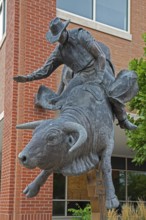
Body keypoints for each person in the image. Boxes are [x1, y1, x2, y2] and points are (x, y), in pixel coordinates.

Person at [14, 17, 138, 130]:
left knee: (114, 93)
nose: (59, 40)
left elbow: (100, 56)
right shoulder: (59, 51)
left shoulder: (80, 35)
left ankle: (123, 120)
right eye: (56, 39)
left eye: (60, 36)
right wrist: (27, 78)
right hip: (80, 76)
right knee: (62, 100)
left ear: (64, 31)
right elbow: (45, 70)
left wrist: (100, 75)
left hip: (97, 69)